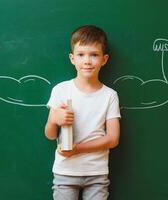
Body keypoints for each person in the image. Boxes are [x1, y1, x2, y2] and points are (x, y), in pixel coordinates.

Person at [45, 25, 121, 200]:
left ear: (104, 59)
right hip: (65, 172)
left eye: (94, 55)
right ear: (72, 58)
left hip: (97, 173)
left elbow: (113, 139)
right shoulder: (61, 90)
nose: (87, 61)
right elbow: (49, 135)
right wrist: (53, 120)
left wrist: (77, 149)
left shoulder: (110, 95)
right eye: (81, 55)